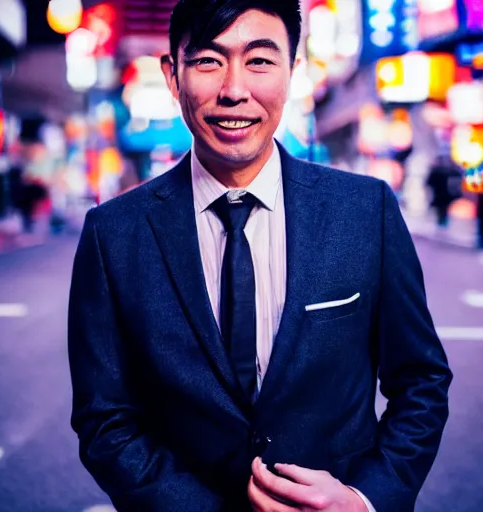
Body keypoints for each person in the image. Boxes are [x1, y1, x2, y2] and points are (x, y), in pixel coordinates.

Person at [68, 1, 452, 511]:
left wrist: (364, 499)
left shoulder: (366, 211)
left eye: (259, 61)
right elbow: (105, 417)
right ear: (172, 75)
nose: (234, 89)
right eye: (208, 60)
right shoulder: (113, 234)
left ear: (293, 71)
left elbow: (421, 382)